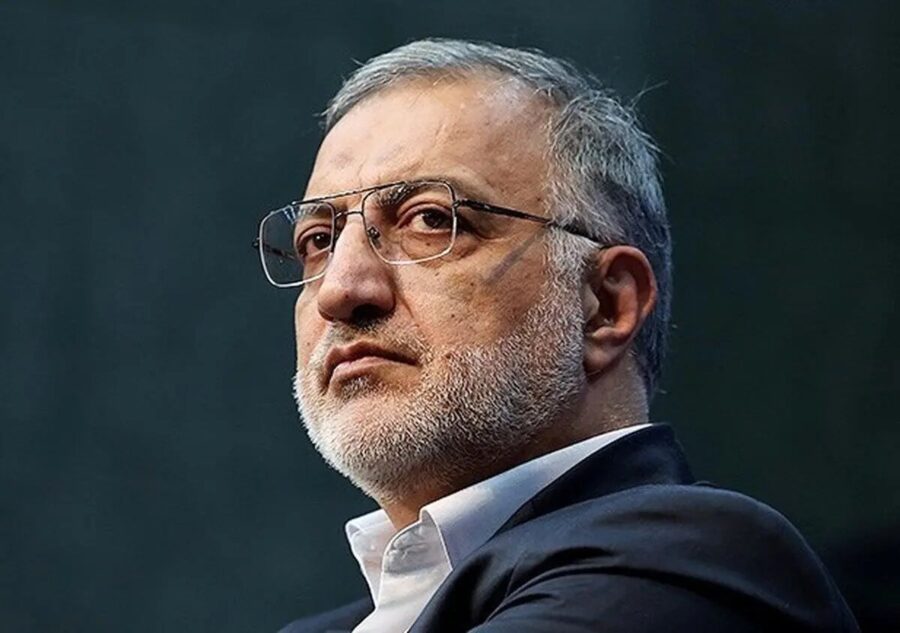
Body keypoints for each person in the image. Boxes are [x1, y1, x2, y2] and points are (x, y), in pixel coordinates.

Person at [257, 39, 859, 632]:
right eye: (319, 241)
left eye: (431, 220)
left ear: (605, 305)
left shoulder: (696, 565)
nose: (340, 289)